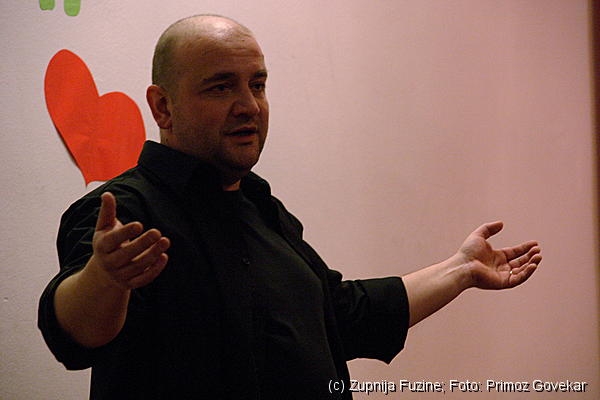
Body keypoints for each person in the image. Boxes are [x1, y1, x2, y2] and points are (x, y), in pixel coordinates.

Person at [38, 14, 541, 400]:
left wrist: (460, 269)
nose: (249, 105)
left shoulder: (261, 207)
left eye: (257, 84)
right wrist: (105, 276)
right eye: (221, 86)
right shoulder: (123, 213)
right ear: (163, 106)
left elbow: (341, 316)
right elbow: (74, 334)